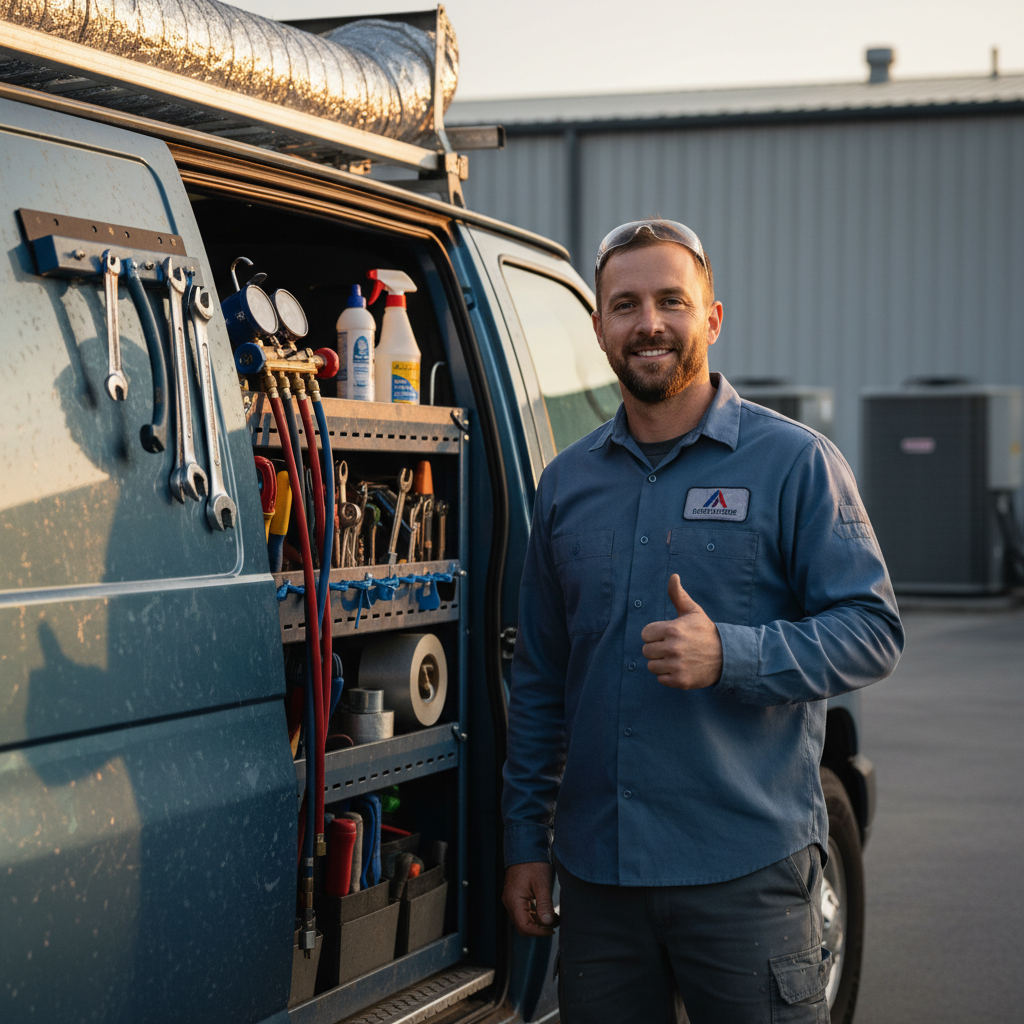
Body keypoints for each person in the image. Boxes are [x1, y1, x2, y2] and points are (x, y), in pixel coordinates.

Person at [501, 220, 904, 1024]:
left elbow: (872, 628)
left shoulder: (794, 464)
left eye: (670, 301)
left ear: (710, 320)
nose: (648, 322)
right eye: (625, 305)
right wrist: (524, 844)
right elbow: (542, 680)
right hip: (600, 883)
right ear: (601, 329)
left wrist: (733, 655)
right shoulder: (566, 486)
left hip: (745, 876)